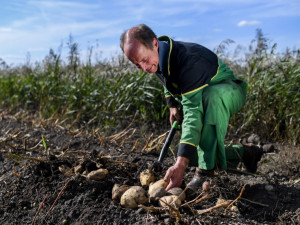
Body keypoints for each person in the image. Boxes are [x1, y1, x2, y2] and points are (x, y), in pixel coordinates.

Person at [120, 24, 263, 191]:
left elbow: (193, 113)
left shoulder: (187, 59)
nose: (144, 68)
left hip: (228, 90)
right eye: (137, 65)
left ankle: (205, 173)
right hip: (202, 95)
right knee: (196, 152)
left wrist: (181, 164)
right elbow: (167, 78)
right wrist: (172, 105)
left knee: (211, 98)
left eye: (144, 60)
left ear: (155, 43)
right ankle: (248, 153)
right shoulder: (158, 56)